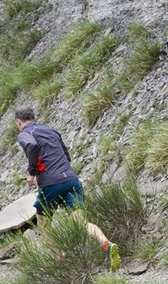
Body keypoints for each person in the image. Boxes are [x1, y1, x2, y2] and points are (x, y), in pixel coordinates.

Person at [14, 107, 118, 268]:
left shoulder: (25, 134)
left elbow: (32, 146)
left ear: (18, 123)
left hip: (50, 185)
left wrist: (32, 173)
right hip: (71, 179)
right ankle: (106, 244)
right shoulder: (50, 130)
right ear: (34, 117)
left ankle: (60, 259)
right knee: (82, 222)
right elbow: (65, 154)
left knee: (43, 223)